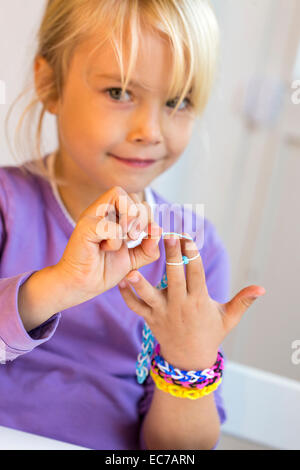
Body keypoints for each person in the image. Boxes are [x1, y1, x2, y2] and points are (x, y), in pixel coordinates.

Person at [0, 0, 266, 450]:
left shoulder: (191, 250)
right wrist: (59, 285)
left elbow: (179, 453)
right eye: (119, 92)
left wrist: (187, 358)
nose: (151, 130)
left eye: (177, 102)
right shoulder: (8, 206)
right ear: (50, 83)